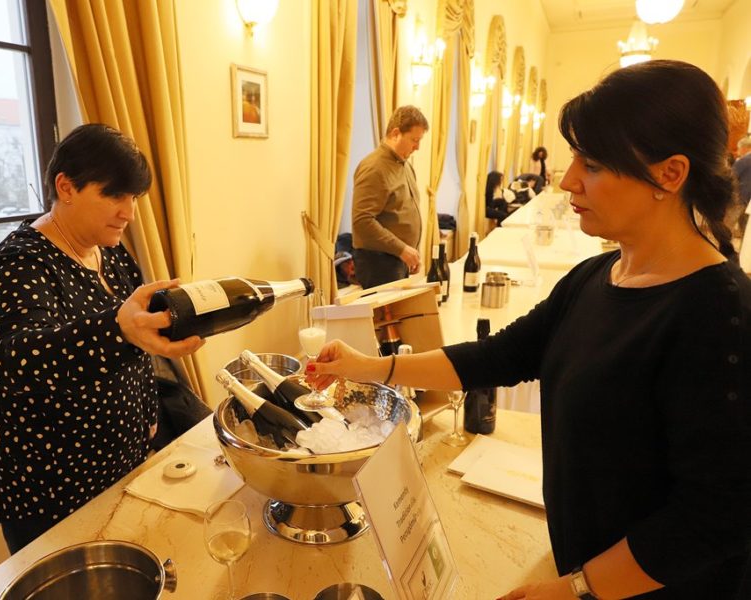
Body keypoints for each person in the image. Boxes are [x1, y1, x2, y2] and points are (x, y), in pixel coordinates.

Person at [309, 61, 751, 599]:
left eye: (592, 164)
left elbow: (716, 514)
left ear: (670, 174)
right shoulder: (595, 276)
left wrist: (577, 589)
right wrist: (368, 367)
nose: (567, 180)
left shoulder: (720, 312)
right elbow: (498, 355)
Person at [0, 124, 204, 554]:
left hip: (122, 467)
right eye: (113, 195)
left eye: (133, 197)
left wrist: (147, 415)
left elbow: (135, 345)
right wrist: (117, 328)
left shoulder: (109, 251)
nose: (128, 212)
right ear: (66, 187)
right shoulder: (20, 264)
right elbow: (20, 362)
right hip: (53, 490)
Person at [351, 105, 428, 288]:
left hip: (399, 258)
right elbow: (362, 221)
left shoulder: (405, 165)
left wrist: (411, 252)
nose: (417, 147)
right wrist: (402, 249)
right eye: (414, 140)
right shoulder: (374, 168)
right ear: (395, 134)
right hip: (379, 263)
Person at [732, 135, 751, 206]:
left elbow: (731, 176)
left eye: (738, 149)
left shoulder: (744, 160)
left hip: (741, 197)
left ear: (744, 148)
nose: (738, 152)